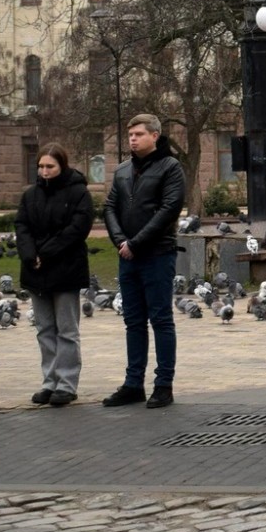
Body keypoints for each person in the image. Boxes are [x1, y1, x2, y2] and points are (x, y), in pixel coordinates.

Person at [100, 114, 186, 408]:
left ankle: (164, 384)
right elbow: (110, 205)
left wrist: (137, 243)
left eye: (138, 134)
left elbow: (169, 208)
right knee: (133, 321)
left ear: (155, 136)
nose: (133, 139)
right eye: (130, 135)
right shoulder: (123, 170)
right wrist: (120, 241)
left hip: (157, 254)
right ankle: (133, 383)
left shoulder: (170, 167)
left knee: (161, 320)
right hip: (128, 256)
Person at [15, 143, 93, 407]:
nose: (44, 171)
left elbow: (77, 228)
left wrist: (46, 253)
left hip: (65, 268)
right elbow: (22, 226)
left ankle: (67, 384)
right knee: (44, 329)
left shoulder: (79, 192)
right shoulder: (30, 195)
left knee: (67, 330)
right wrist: (29, 253)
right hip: (36, 271)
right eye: (41, 166)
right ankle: (49, 381)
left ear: (62, 166)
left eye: (50, 166)